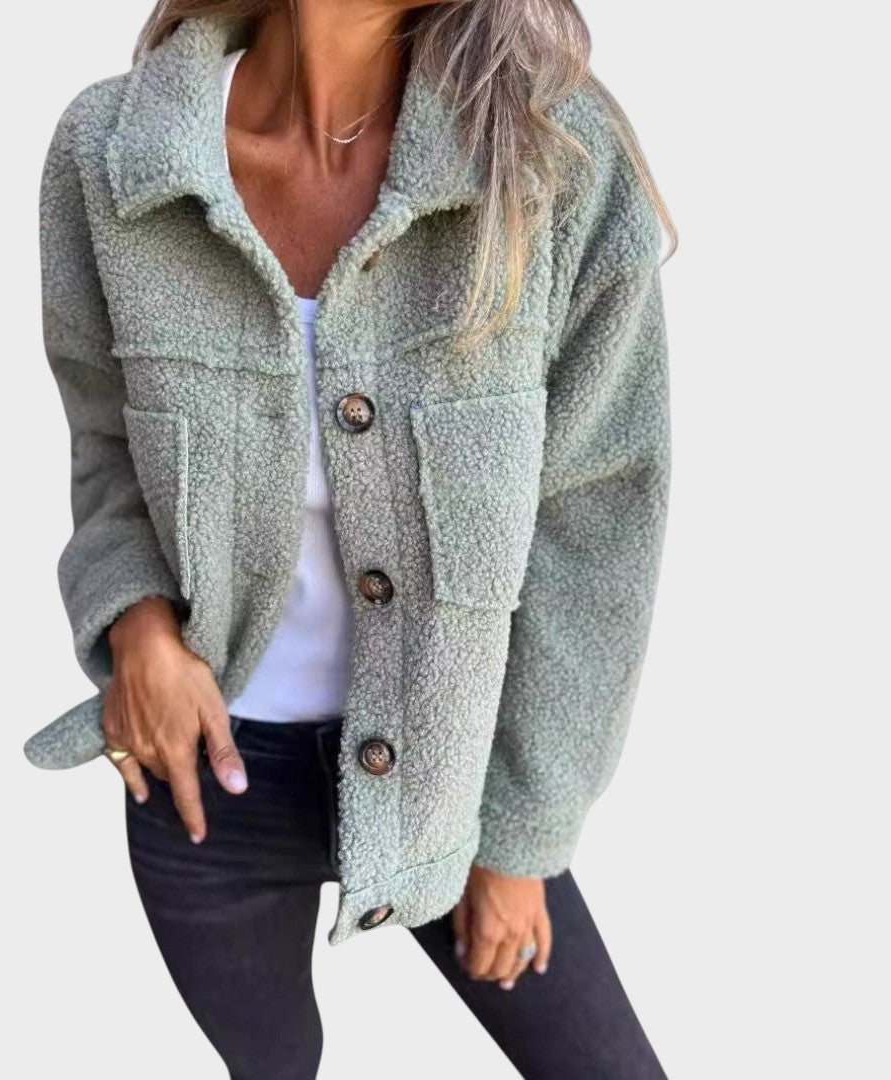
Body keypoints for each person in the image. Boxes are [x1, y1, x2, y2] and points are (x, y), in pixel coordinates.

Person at [35, 2, 675, 1076]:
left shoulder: (547, 159)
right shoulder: (116, 155)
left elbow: (598, 525)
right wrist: (136, 628)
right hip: (208, 784)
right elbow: (104, 444)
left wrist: (523, 836)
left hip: (454, 779)